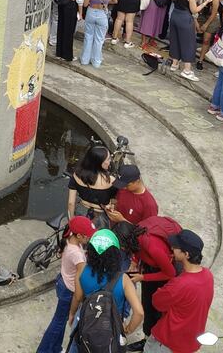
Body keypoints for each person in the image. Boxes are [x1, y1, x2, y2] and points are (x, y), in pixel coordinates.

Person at [68, 228, 143, 340]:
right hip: (111, 327)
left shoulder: (82, 268)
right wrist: (127, 330)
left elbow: (78, 297)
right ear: (115, 254)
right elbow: (139, 313)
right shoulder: (123, 279)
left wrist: (72, 314)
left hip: (86, 318)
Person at [147, 230, 214, 353]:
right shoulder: (208, 275)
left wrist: (162, 289)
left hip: (168, 342)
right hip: (190, 341)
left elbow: (157, 302)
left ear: (186, 254)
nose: (172, 248)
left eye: (176, 247)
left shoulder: (179, 285)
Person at [35, 215, 93, 353]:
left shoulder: (69, 240)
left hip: (62, 282)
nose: (89, 238)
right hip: (69, 291)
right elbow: (79, 286)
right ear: (79, 235)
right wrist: (73, 311)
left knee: (59, 321)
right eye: (87, 236)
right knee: (58, 323)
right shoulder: (78, 256)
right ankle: (44, 350)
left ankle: (54, 348)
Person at [67, 145, 115, 225]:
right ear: (99, 162)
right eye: (108, 159)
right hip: (100, 217)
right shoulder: (110, 181)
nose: (110, 161)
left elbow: (71, 203)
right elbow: (114, 201)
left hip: (81, 212)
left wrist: (71, 221)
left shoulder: (77, 175)